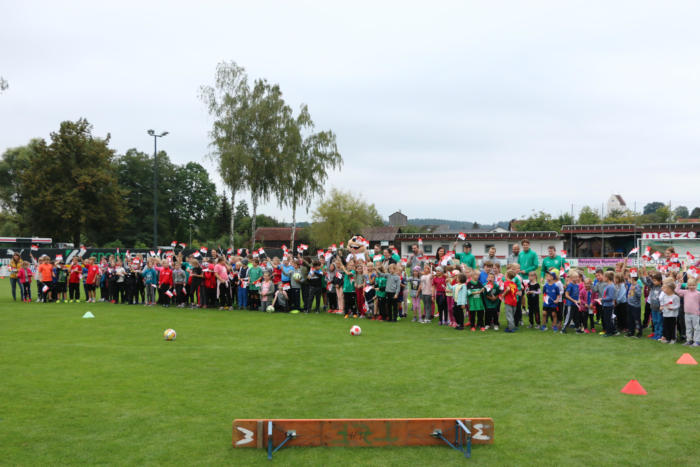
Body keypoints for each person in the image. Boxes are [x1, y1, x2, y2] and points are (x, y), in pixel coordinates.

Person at [675, 277, 700, 346]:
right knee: (688, 327)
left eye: (693, 285)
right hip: (687, 313)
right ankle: (689, 340)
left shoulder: (698, 293)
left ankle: (697, 341)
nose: (691, 287)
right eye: (690, 285)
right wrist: (680, 283)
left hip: (695, 313)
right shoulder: (686, 292)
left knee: (696, 328)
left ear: (696, 285)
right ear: (687, 285)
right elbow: (676, 290)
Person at [658, 279, 680, 344]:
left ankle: (673, 338)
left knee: (672, 327)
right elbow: (662, 302)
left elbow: (678, 305)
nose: (663, 289)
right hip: (665, 314)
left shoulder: (675, 297)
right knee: (666, 326)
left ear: (670, 289)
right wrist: (661, 306)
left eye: (665, 288)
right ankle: (667, 338)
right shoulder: (664, 296)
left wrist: (672, 308)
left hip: (672, 315)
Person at [626, 269, 643, 338]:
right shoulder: (631, 285)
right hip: (630, 304)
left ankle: (639, 332)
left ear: (632, 278)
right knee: (630, 319)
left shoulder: (637, 286)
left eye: (628, 278)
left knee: (636, 319)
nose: (627, 279)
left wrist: (634, 290)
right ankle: (631, 331)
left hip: (635, 306)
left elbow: (639, 295)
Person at [601, 271, 618, 337]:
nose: (603, 278)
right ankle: (613, 330)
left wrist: (602, 299)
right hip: (606, 304)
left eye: (604, 277)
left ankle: (609, 332)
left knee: (607, 319)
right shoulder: (608, 285)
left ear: (607, 278)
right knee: (607, 318)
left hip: (609, 305)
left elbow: (610, 297)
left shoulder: (611, 286)